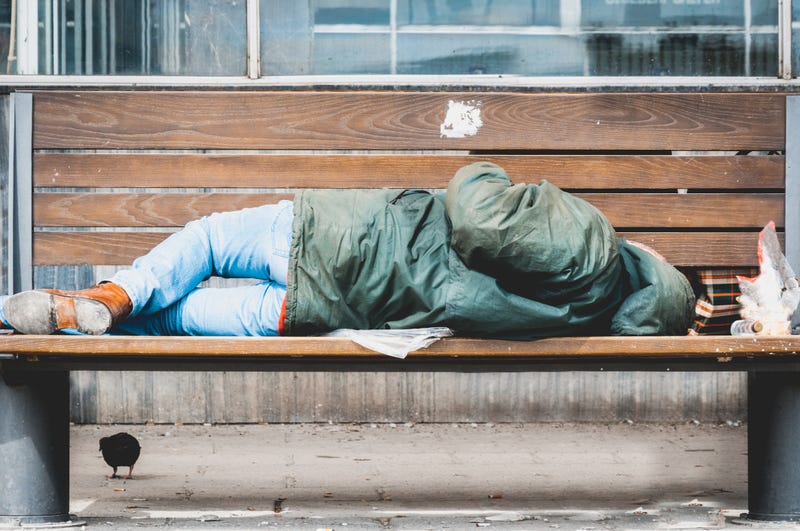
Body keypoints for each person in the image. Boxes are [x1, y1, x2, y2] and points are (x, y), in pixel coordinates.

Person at [0, 162, 696, 338]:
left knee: (207, 239)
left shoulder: (593, 250)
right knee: (173, 321)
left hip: (344, 240)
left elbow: (480, 219)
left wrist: (484, 172)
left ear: (650, 266)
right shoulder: (585, 317)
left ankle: (107, 296)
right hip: (337, 311)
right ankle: (72, 313)